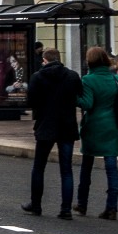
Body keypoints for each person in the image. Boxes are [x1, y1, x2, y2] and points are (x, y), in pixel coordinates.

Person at [23, 47, 79, 220]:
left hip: (45, 125)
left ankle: (36, 205)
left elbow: (30, 101)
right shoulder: (72, 76)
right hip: (67, 126)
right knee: (66, 170)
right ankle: (66, 209)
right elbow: (78, 96)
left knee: (39, 167)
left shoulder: (38, 77)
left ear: (45, 60)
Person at [76, 45, 118, 221]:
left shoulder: (88, 80)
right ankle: (111, 207)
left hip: (93, 125)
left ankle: (82, 203)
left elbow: (87, 104)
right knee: (111, 168)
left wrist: (75, 98)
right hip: (111, 125)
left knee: (87, 167)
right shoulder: (114, 79)